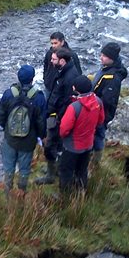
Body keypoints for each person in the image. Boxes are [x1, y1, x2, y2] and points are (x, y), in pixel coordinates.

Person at [0, 65, 47, 195]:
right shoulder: (38, 97)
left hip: (10, 138)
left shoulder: (9, 93)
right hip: (28, 141)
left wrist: (6, 128)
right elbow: (41, 122)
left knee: (8, 166)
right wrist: (40, 136)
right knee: (24, 168)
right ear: (32, 79)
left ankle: (8, 193)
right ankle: (21, 193)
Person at [35, 48, 79, 185]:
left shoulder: (70, 76)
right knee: (58, 145)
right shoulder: (63, 71)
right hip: (56, 114)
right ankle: (55, 168)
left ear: (62, 61)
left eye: (53, 59)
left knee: (50, 146)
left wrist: (58, 118)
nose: (51, 61)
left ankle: (50, 175)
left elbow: (68, 100)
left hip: (59, 118)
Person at [59, 75, 105, 191]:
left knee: (66, 171)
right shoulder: (98, 101)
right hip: (88, 144)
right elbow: (101, 120)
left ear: (75, 88)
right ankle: (81, 193)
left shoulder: (74, 107)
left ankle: (66, 196)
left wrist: (64, 137)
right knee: (82, 170)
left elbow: (64, 129)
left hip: (72, 146)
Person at [90, 42, 128, 166]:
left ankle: (96, 160)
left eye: (104, 56)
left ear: (111, 58)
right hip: (96, 110)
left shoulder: (112, 78)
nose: (100, 57)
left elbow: (107, 101)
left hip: (101, 114)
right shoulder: (107, 67)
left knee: (99, 135)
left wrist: (98, 115)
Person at [42, 31, 82, 96]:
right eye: (52, 43)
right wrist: (45, 79)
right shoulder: (49, 53)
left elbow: (78, 73)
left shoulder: (71, 55)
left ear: (62, 42)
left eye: (55, 43)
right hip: (49, 87)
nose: (53, 46)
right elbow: (45, 66)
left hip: (62, 91)